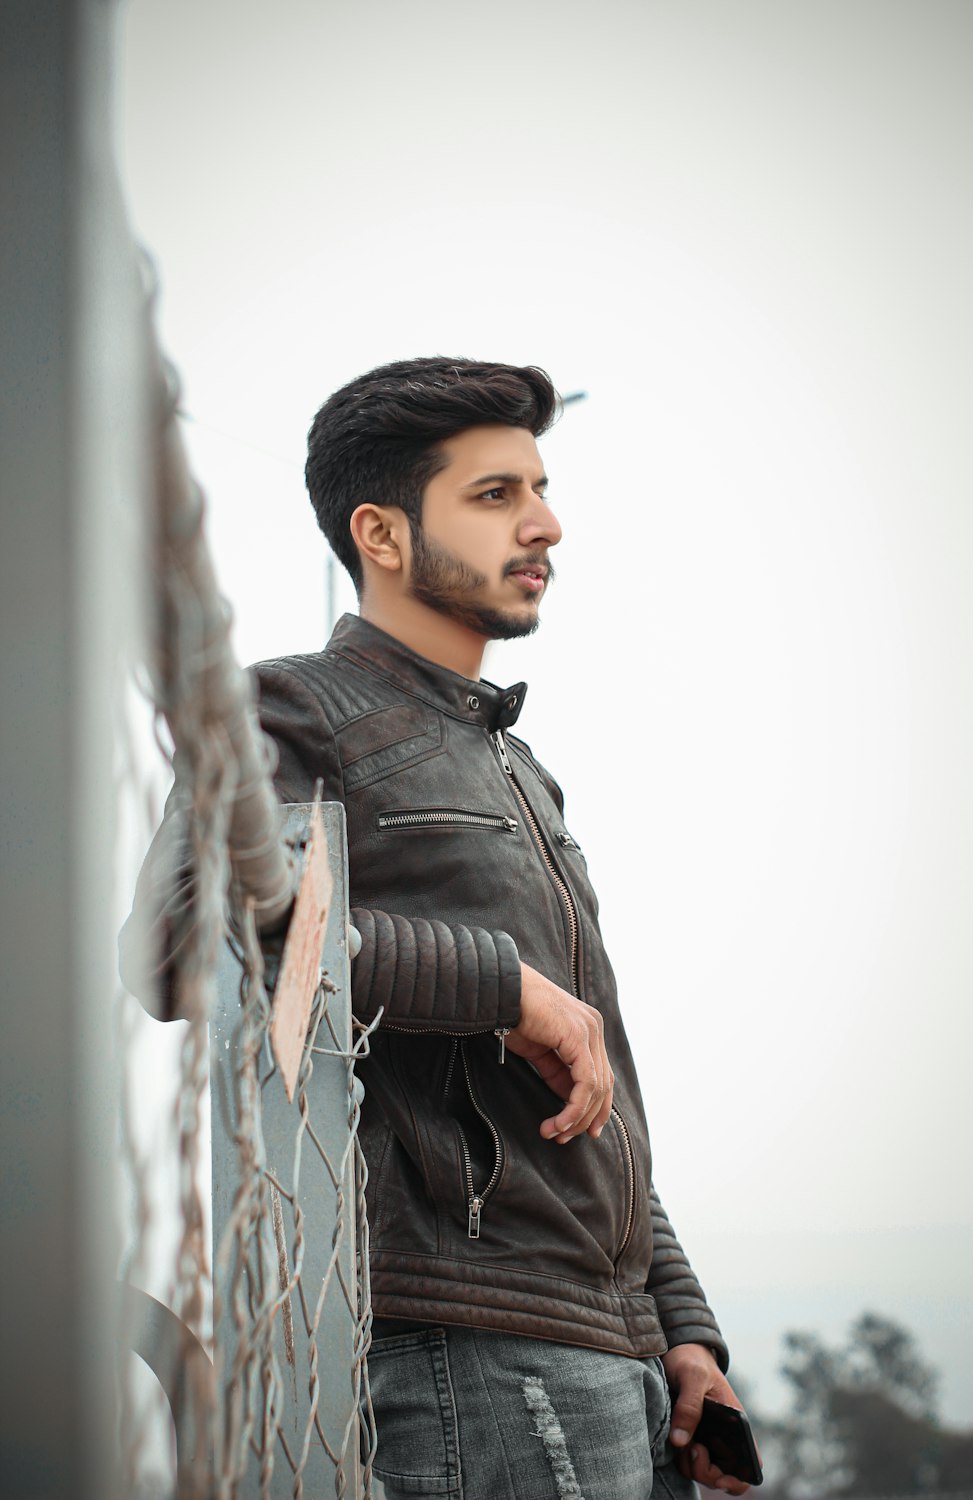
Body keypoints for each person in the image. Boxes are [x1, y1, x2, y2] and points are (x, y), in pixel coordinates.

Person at [133, 356, 751, 1500]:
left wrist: (684, 1330)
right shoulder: (291, 705)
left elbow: (588, 1078)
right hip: (465, 1346)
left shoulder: (525, 774)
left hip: (615, 1359)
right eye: (495, 494)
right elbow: (179, 942)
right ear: (381, 531)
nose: (546, 524)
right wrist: (500, 984)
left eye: (540, 487)